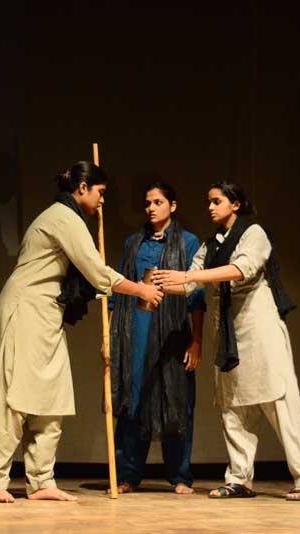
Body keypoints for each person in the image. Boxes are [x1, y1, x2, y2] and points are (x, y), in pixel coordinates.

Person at [0, 161, 164, 503]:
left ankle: (41, 480)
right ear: (82, 188)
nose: (102, 201)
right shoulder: (63, 217)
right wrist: (140, 289)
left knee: (51, 399)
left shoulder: (71, 218)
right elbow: (95, 271)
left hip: (48, 314)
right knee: (13, 398)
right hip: (26, 309)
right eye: (100, 193)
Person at [152, 181, 300, 501]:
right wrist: (156, 284)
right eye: (209, 201)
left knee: (280, 400)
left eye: (217, 201)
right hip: (229, 330)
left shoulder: (253, 233)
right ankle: (239, 478)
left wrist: (188, 276)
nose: (210, 207)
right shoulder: (212, 244)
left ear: (236, 204)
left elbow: (241, 269)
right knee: (232, 405)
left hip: (259, 325)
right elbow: (188, 283)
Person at [108, 182, 205, 495]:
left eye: (158, 202)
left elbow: (196, 296)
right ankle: (127, 474)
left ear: (172, 206)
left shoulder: (188, 242)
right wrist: (109, 337)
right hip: (135, 330)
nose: (151, 208)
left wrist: (197, 341)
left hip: (172, 332)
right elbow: (117, 291)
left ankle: (179, 475)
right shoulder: (133, 243)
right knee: (132, 399)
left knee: (176, 400)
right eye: (148, 203)